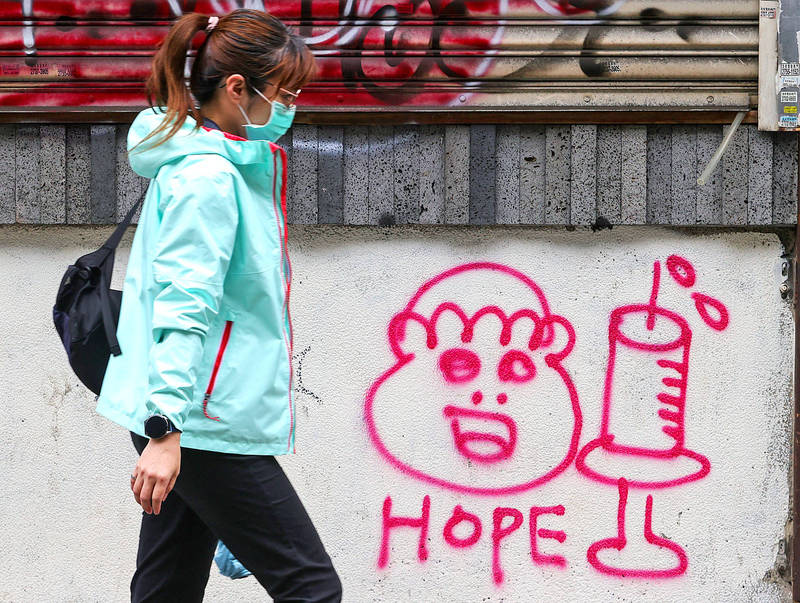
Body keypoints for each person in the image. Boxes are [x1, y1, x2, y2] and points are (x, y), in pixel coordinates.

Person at [94, 9, 342, 602]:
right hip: (198, 419)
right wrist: (166, 430)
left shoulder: (212, 162)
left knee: (168, 587)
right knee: (312, 588)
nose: (290, 106)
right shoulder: (207, 177)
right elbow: (185, 305)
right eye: (284, 92)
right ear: (238, 88)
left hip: (191, 412)